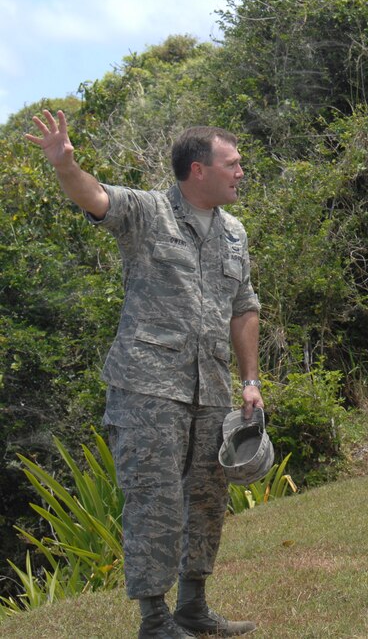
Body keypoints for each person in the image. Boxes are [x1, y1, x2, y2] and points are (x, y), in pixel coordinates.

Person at [25, 110, 261, 637]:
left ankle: (193, 608)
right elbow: (94, 198)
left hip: (212, 390)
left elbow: (244, 308)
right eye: (233, 163)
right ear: (198, 169)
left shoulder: (235, 234)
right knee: (153, 501)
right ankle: (154, 619)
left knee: (206, 499)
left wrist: (251, 381)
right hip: (146, 389)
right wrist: (65, 164)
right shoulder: (148, 211)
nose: (241, 172)